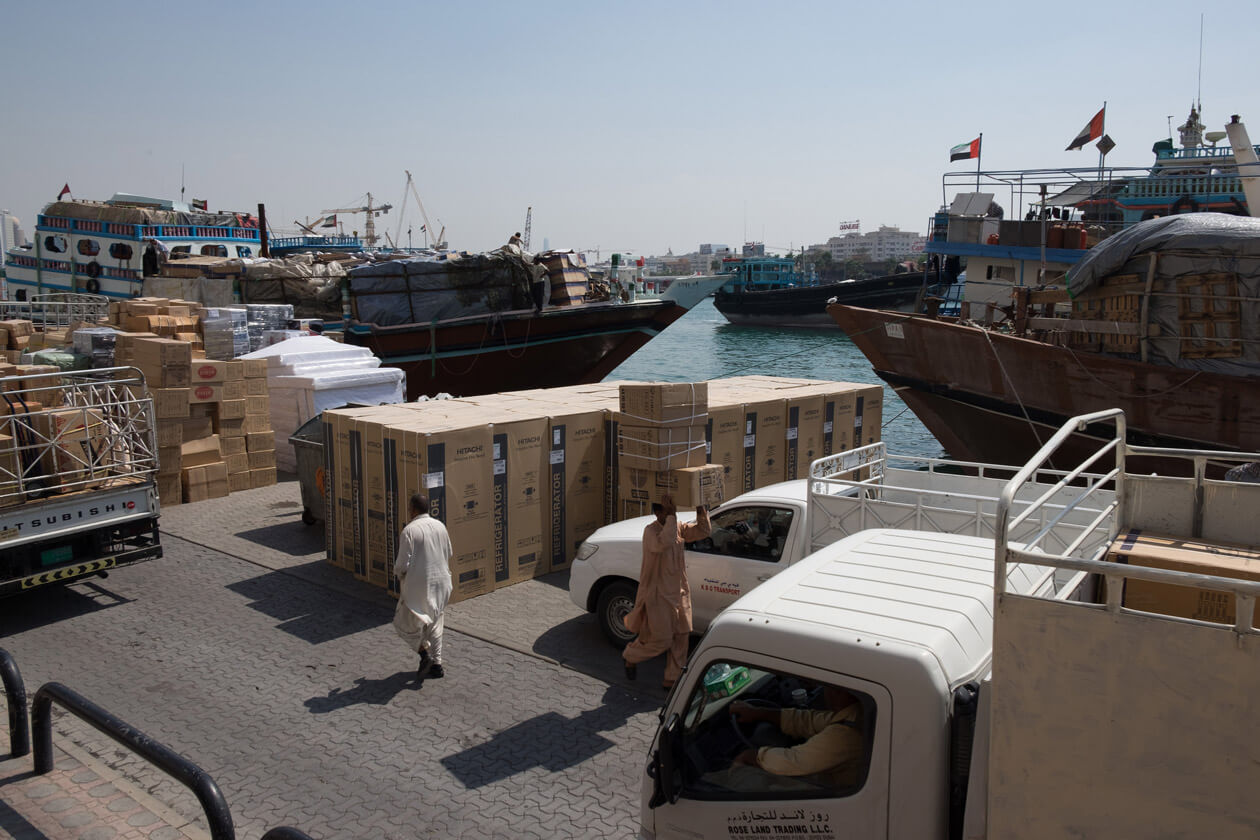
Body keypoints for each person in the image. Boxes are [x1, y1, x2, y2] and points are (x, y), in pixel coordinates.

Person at [622, 494, 711, 690]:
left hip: (680, 593)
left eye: (672, 510)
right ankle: (631, 655)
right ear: (657, 513)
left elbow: (703, 531)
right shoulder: (651, 532)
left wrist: (700, 510)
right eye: (666, 510)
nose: (672, 513)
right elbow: (665, 542)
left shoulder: (677, 527)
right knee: (661, 640)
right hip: (658, 595)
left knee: (682, 636)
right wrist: (671, 517)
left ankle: (671, 678)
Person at [727, 685, 865, 789]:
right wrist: (758, 713)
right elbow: (809, 721)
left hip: (834, 791)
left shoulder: (846, 733)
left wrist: (750, 756)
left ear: (838, 692)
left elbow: (794, 761)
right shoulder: (857, 713)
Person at [392, 492, 453, 679]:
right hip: (442, 583)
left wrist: (399, 575)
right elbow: (449, 552)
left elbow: (402, 564)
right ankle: (437, 665)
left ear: (413, 509)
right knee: (435, 623)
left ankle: (423, 654)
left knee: (403, 624)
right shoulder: (440, 526)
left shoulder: (409, 531)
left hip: (420, 586)